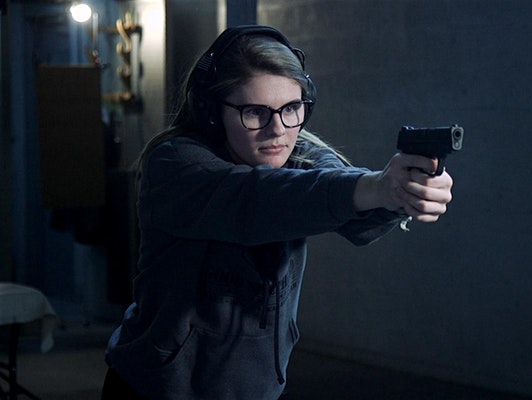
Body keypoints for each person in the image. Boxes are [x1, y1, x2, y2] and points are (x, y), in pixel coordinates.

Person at [101, 25, 454, 400]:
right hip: (157, 390)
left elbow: (349, 207)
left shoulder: (294, 150)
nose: (278, 131)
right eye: (255, 112)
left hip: (256, 389)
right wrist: (375, 187)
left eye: (291, 108)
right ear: (209, 111)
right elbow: (259, 200)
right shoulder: (175, 164)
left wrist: (399, 191)